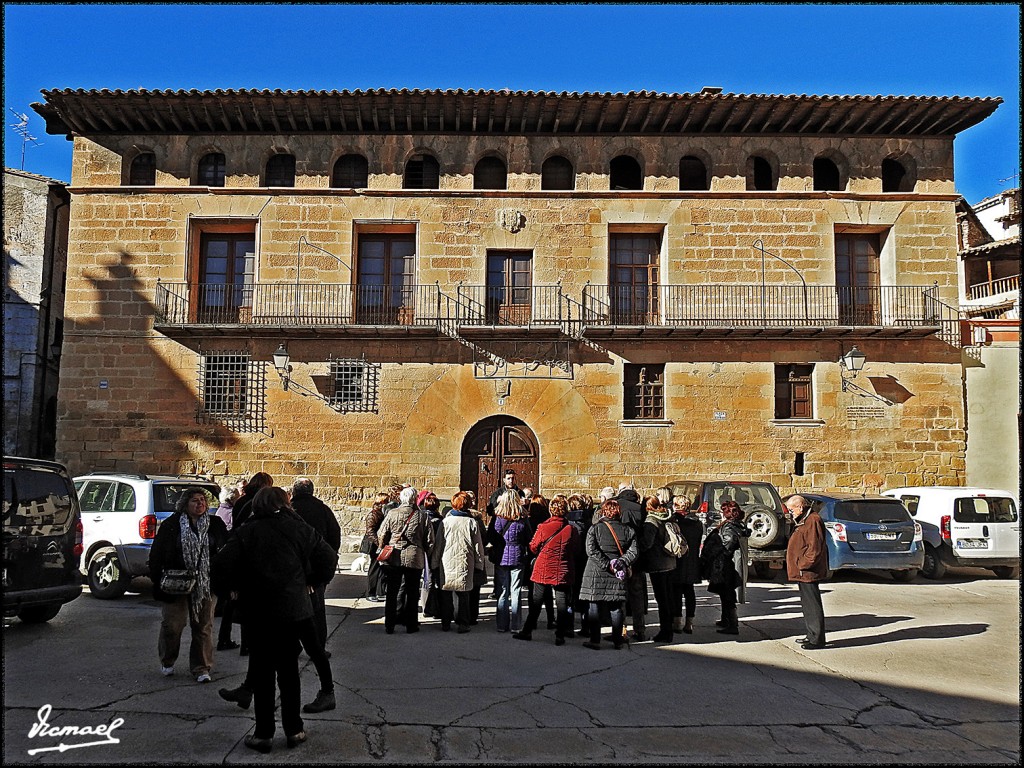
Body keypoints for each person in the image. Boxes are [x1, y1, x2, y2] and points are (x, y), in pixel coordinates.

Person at [213, 486, 338, 753]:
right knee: (289, 671)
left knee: (263, 671)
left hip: (259, 609)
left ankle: (263, 733)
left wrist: (233, 588)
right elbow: (328, 557)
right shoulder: (300, 528)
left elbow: (221, 564)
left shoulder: (248, 531)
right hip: (293, 608)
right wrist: (311, 581)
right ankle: (294, 729)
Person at [150, 487, 228, 682]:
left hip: (206, 584)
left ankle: (202, 668)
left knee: (203, 626)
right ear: (185, 504)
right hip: (176, 583)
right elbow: (157, 553)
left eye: (202, 500)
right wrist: (157, 578)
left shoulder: (215, 524)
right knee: (173, 625)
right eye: (195, 500)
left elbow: (225, 551)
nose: (200, 503)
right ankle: (167, 659)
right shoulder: (172, 525)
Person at [514, 496, 580, 645]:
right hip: (562, 567)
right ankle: (560, 635)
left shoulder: (543, 527)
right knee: (562, 602)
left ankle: (527, 631)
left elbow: (533, 546)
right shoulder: (571, 529)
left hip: (543, 566)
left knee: (536, 601)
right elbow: (576, 549)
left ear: (551, 510)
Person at [578, 499, 638, 650]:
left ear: (603, 511)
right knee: (616, 606)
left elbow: (591, 550)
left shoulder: (595, 529)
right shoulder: (628, 530)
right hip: (617, 572)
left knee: (594, 605)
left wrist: (606, 564)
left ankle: (595, 640)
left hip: (596, 571)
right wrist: (621, 562)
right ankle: (618, 640)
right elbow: (634, 551)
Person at [290, 478, 341, 648]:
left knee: (292, 607)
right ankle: (318, 647)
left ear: (294, 491)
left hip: (293, 567)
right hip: (317, 567)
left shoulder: (289, 510)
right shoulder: (323, 509)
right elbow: (335, 535)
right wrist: (329, 558)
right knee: (317, 608)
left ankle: (294, 645)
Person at [430, 491, 486, 633]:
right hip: (465, 561)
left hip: (447, 561)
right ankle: (463, 623)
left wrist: (434, 563)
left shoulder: (446, 522)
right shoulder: (471, 522)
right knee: (464, 594)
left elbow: (439, 544)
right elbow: (478, 546)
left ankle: (446, 622)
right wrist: (479, 564)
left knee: (446, 594)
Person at [378, 486, 431, 634]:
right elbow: (429, 539)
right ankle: (411, 625)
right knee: (412, 592)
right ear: (415, 499)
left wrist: (384, 547)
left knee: (392, 592)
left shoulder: (392, 513)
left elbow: (382, 533)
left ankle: (389, 624)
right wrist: (426, 552)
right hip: (414, 556)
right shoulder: (422, 516)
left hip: (394, 556)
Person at [699, 500, 750, 636]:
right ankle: (726, 619)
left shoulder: (729, 527)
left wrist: (717, 552)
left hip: (725, 565)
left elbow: (728, 542)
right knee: (725, 593)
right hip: (726, 564)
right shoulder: (736, 525)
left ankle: (732, 624)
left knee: (727, 594)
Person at [784, 495, 829, 649]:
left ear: (800, 507)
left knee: (812, 605)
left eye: (792, 510)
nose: (790, 513)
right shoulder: (804, 519)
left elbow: (814, 548)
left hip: (808, 571)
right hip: (803, 572)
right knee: (807, 605)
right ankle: (811, 635)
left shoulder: (813, 520)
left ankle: (816, 639)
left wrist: (803, 564)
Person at [488, 489, 531, 633]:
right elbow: (528, 538)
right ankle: (516, 625)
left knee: (503, 591)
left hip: (501, 556)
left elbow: (491, 537)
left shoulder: (497, 518)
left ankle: (501, 624)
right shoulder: (523, 518)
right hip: (518, 555)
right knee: (516, 590)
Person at [637, 496, 678, 643]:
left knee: (661, 599)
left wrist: (636, 546)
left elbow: (647, 543)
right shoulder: (667, 516)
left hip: (657, 563)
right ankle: (669, 628)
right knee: (668, 597)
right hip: (670, 561)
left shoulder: (651, 521)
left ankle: (665, 631)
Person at [614, 482, 647, 641]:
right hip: (637, 558)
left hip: (619, 556)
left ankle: (622, 629)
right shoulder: (641, 508)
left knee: (620, 595)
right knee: (637, 596)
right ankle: (640, 629)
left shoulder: (616, 506)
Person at [670, 495, 703, 634]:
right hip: (692, 560)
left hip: (678, 559)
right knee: (689, 592)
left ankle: (677, 622)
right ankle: (689, 623)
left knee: (676, 592)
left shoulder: (675, 522)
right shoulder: (697, 523)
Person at [214, 487, 241, 651]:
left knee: (227, 604)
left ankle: (224, 639)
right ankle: (225, 639)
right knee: (231, 603)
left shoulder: (220, 511)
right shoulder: (231, 513)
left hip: (224, 562)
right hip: (230, 563)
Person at [565, 493, 593, 636]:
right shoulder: (589, 522)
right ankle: (585, 627)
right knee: (584, 597)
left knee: (569, 596)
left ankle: (569, 627)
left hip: (571, 562)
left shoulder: (568, 524)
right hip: (585, 562)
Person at [361, 492, 391, 602]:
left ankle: (380, 591)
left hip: (379, 543)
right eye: (386, 501)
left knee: (381, 568)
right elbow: (370, 531)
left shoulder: (381, 513)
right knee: (374, 568)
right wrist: (379, 543)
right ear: (382, 502)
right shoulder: (373, 514)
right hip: (373, 545)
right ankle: (371, 592)